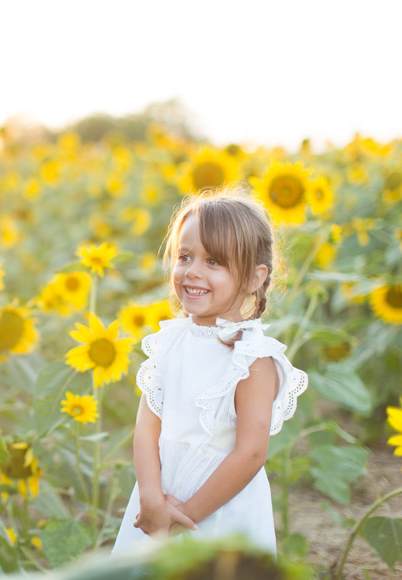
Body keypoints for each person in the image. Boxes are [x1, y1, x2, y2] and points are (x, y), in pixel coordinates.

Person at [111, 186, 308, 557]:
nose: (192, 272)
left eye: (214, 262)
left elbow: (250, 454)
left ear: (254, 277)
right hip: (159, 496)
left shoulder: (252, 359)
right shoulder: (171, 343)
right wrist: (152, 498)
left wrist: (182, 516)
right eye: (185, 257)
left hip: (218, 510)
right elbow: (146, 428)